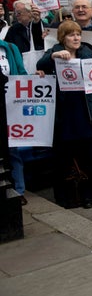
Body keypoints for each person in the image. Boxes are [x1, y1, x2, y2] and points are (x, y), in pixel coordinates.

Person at [37, 21, 92, 209]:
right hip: (64, 114)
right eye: (71, 35)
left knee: (88, 156)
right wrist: (53, 56)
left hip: (85, 112)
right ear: (63, 38)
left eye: (78, 34)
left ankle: (89, 195)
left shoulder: (87, 50)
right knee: (64, 157)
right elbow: (41, 64)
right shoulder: (55, 50)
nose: (76, 38)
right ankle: (67, 196)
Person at [0, 37, 32, 205]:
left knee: (12, 150)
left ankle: (18, 190)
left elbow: (21, 73)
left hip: (10, 105)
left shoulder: (10, 48)